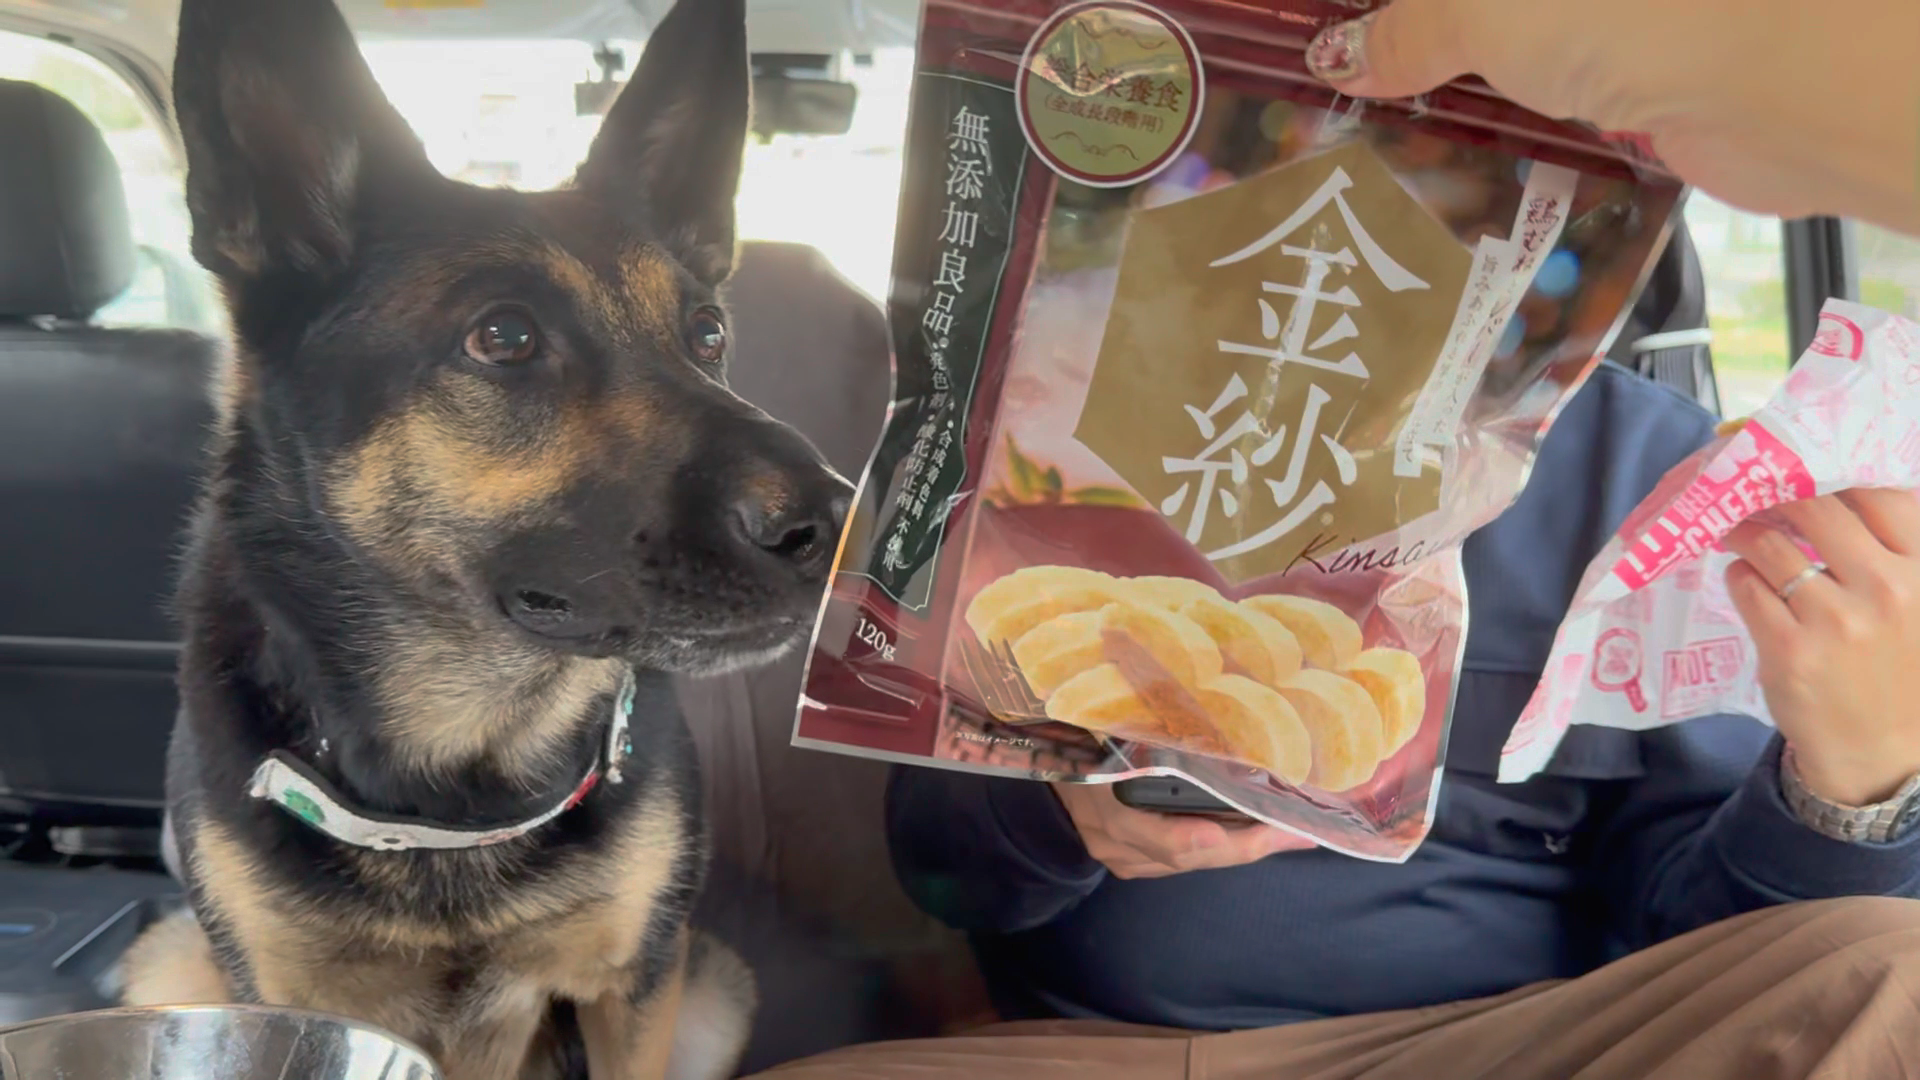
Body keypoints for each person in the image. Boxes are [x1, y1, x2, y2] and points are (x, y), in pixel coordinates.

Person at [744, 6, 1920, 1078]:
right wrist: (1056, 812)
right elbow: (942, 875)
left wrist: (1850, 789)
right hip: (1097, 1049)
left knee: (1890, 975)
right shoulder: (1051, 425)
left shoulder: (1655, 483)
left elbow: (1728, 962)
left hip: (1512, 1044)